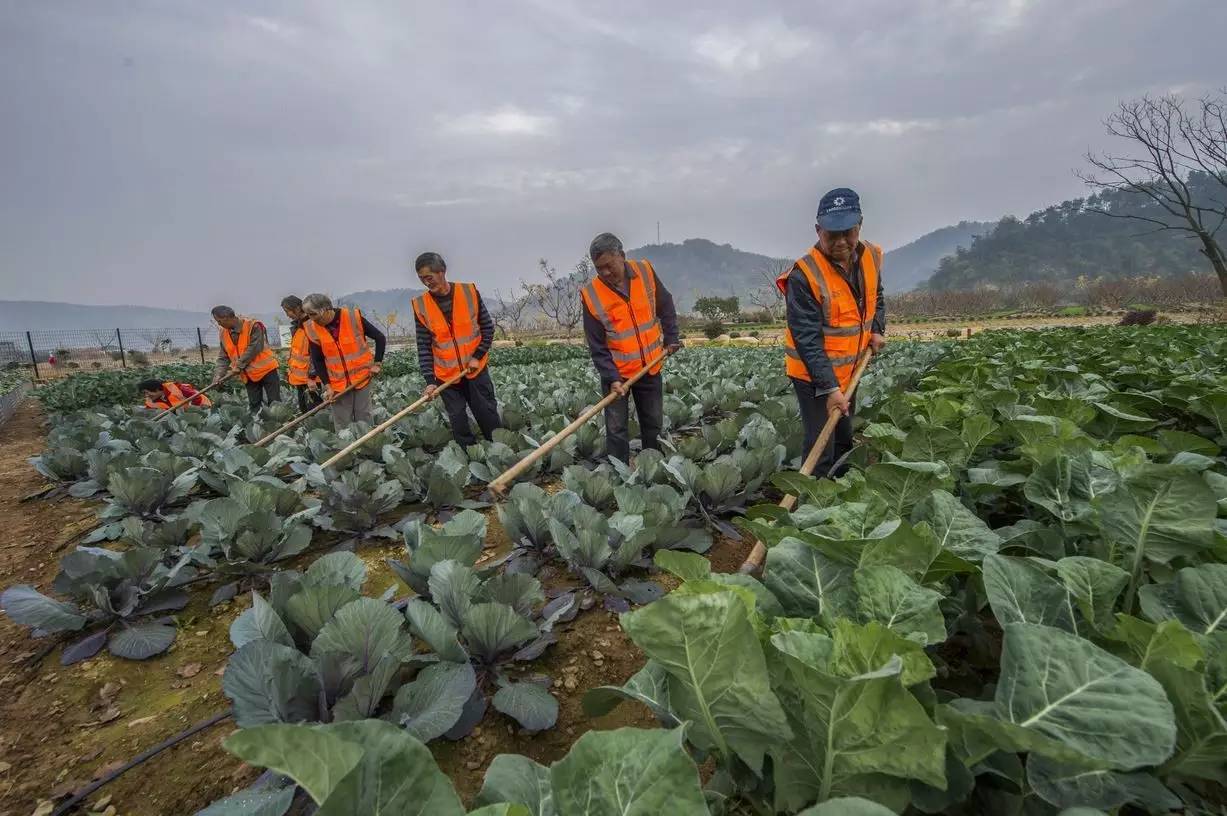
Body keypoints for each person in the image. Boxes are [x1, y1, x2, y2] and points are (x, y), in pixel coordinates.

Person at [779, 187, 886, 478]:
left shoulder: (871, 257)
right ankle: (810, 508)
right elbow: (807, 339)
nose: (840, 242)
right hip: (813, 376)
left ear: (859, 225)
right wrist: (829, 389)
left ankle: (840, 494)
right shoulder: (804, 275)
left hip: (850, 367)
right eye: (831, 234)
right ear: (817, 231)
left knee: (842, 436)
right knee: (820, 444)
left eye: (847, 232)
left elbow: (877, 296)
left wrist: (876, 328)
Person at [581, 233, 682, 464]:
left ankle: (653, 467)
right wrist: (611, 377)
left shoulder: (645, 272)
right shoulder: (591, 295)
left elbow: (665, 304)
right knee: (616, 429)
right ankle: (619, 472)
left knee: (653, 422)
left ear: (622, 256)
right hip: (618, 373)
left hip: (651, 364)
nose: (605, 273)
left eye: (609, 265)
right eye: (599, 268)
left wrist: (672, 336)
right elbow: (596, 345)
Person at [412, 252, 501, 446]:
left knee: (487, 412)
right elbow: (424, 346)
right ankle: (467, 457)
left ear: (442, 271)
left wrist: (477, 355)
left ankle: (500, 452)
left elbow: (487, 328)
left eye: (429, 277)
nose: (427, 283)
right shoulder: (420, 305)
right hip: (446, 375)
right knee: (458, 419)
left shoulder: (468, 292)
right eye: (422, 279)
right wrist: (430, 380)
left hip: (475, 369)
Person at [301, 293, 385, 428]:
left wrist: (377, 363)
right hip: (336, 384)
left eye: (313, 314)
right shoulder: (311, 328)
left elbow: (380, 338)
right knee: (342, 421)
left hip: (361, 377)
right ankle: (347, 447)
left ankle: (367, 447)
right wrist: (327, 386)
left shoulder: (352, 317)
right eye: (308, 314)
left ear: (326, 309)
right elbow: (318, 359)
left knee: (363, 417)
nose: (311, 318)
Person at [211, 305, 282, 413]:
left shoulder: (253, 325)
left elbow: (255, 347)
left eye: (219, 321)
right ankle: (259, 427)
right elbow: (223, 357)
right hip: (248, 374)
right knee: (254, 404)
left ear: (226, 317)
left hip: (267, 370)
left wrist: (239, 365)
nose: (218, 324)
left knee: (275, 403)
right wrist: (218, 375)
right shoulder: (223, 332)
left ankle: (281, 426)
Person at [281, 295, 325, 413]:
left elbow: (315, 354)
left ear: (297, 308)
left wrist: (311, 377)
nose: (287, 315)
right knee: (305, 410)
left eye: (288, 311)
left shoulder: (311, 325)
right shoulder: (298, 326)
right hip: (301, 379)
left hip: (312, 380)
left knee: (315, 412)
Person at [138, 378, 211, 410]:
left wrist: (192, 411)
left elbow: (197, 397)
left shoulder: (176, 388)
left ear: (156, 389)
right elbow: (148, 412)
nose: (146, 396)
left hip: (203, 406)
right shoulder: (150, 401)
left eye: (146, 392)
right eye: (144, 393)